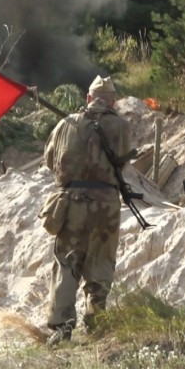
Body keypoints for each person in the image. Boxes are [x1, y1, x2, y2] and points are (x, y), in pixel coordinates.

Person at [42, 75, 132, 345]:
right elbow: (124, 162)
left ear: (88, 98)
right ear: (113, 100)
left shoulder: (65, 124)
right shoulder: (121, 126)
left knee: (67, 263)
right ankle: (96, 324)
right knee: (101, 262)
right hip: (105, 203)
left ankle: (61, 329)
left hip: (71, 204)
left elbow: (49, 159)